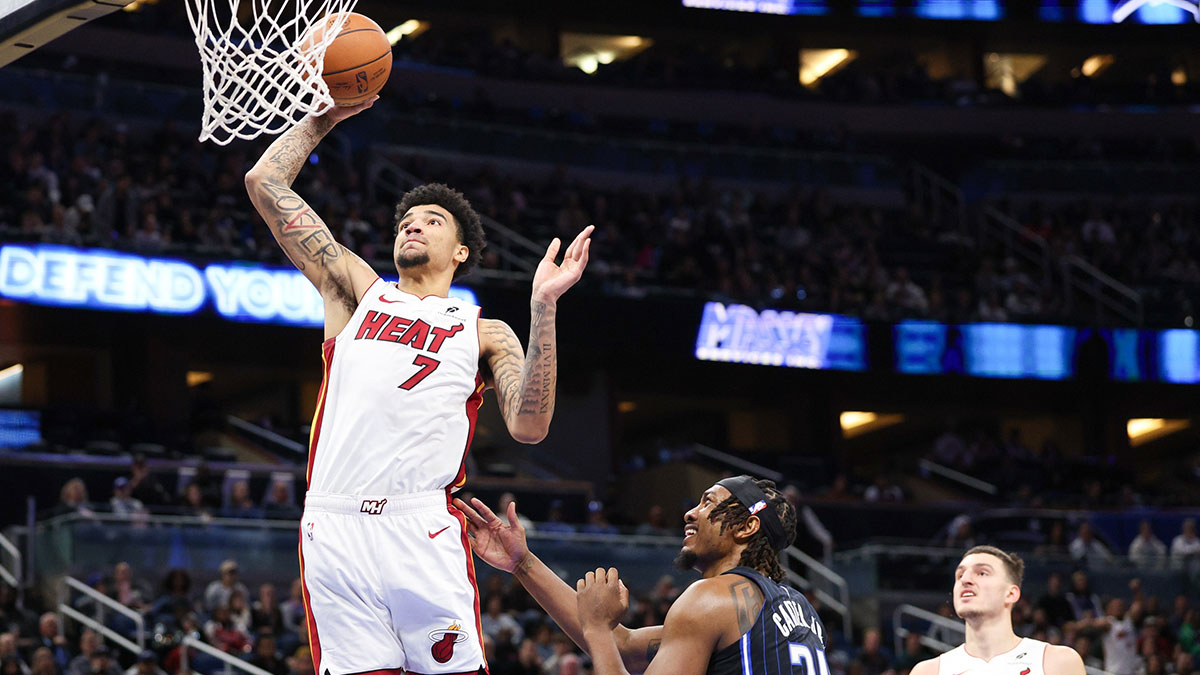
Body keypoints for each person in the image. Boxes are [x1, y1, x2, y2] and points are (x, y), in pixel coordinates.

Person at [244, 97, 592, 675]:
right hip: (334, 524)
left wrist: (544, 308)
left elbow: (530, 426)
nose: (413, 223)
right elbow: (264, 181)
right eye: (408, 219)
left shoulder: (485, 331)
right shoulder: (358, 291)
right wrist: (325, 117)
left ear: (461, 252)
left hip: (419, 524)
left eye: (433, 220)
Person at [455, 475, 826, 674]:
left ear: (746, 527)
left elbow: (607, 639)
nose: (690, 513)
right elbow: (625, 648)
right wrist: (523, 564)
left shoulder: (710, 600)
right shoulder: (796, 610)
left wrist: (599, 629)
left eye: (708, 503)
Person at [909, 545, 1085, 674]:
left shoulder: (1057, 663)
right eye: (960, 575)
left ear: (1011, 594)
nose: (965, 580)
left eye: (982, 573)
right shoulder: (928, 671)